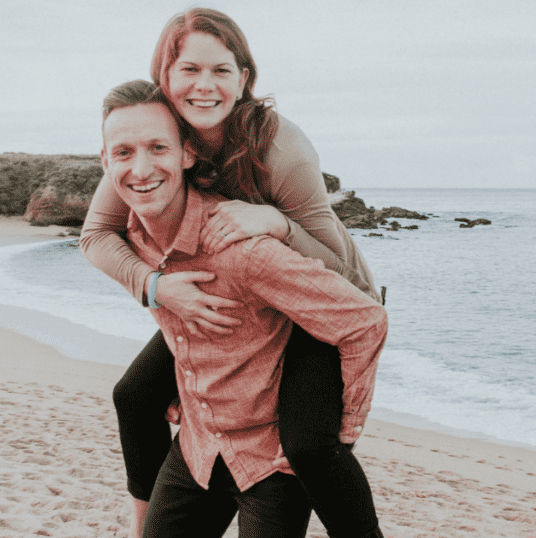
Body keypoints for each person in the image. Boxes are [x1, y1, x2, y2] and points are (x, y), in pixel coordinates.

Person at [81, 8, 385, 538]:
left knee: (310, 444)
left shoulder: (279, 146)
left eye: (221, 70)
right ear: (164, 76)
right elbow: (97, 236)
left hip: (322, 291)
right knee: (134, 396)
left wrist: (275, 223)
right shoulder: (150, 139)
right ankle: (146, 521)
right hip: (245, 289)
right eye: (189, 70)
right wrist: (155, 285)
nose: (204, 86)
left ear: (244, 79)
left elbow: (336, 268)